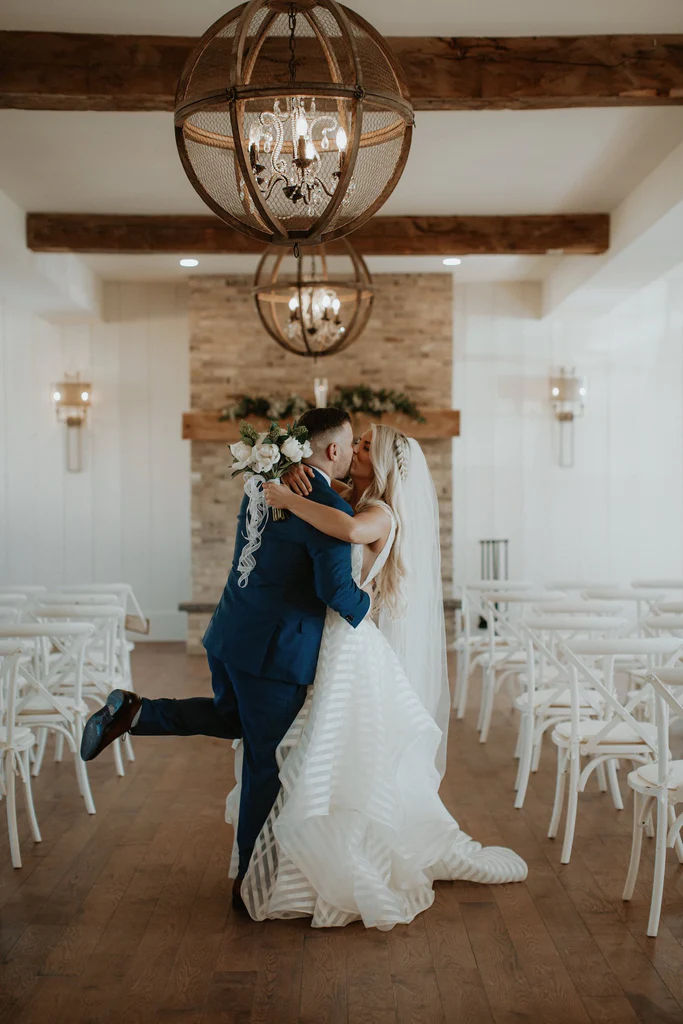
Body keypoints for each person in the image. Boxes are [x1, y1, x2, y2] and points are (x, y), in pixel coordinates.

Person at [79, 408, 371, 912]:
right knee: (266, 763)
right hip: (274, 654)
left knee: (232, 718)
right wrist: (375, 607)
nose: (350, 454)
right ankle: (250, 879)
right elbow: (334, 589)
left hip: (231, 634)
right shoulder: (319, 501)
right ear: (331, 451)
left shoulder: (263, 481)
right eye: (348, 446)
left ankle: (135, 713)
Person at [237, 423, 527, 929]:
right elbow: (328, 494)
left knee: (341, 753)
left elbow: (347, 532)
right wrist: (301, 475)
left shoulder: (379, 513)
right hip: (335, 638)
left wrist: (285, 494)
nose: (357, 451)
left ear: (388, 464)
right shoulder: (351, 495)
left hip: (349, 644)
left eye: (368, 447)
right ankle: (300, 864)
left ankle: (345, 863)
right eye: (358, 443)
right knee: (319, 746)